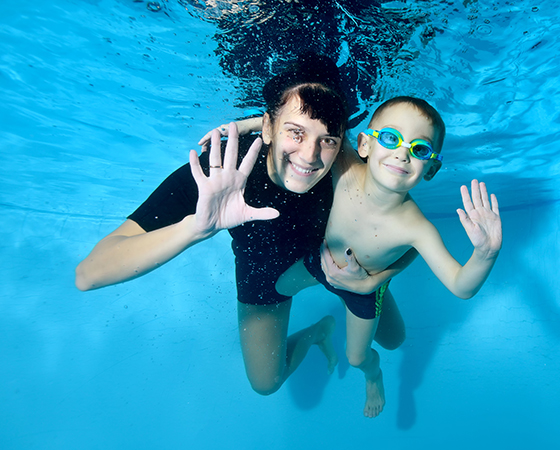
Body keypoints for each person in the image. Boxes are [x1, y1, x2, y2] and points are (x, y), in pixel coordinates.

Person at [75, 53, 407, 396]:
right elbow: (89, 274)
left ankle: (346, 289)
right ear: (268, 128)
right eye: (295, 132)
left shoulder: (345, 166)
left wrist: (376, 279)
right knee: (266, 383)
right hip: (263, 266)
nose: (310, 156)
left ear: (340, 144)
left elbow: (410, 229)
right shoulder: (223, 168)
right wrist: (194, 229)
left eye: (328, 140)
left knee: (395, 340)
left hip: (342, 261)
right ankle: (318, 332)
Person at [274, 96, 503, 417]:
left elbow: (460, 286)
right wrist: (243, 125)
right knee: (278, 287)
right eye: (392, 138)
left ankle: (374, 375)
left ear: (431, 169)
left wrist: (486, 254)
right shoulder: (345, 169)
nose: (402, 153)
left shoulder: (417, 227)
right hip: (321, 262)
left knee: (357, 357)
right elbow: (293, 128)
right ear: (365, 144)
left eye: (420, 149)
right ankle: (324, 327)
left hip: (362, 291)